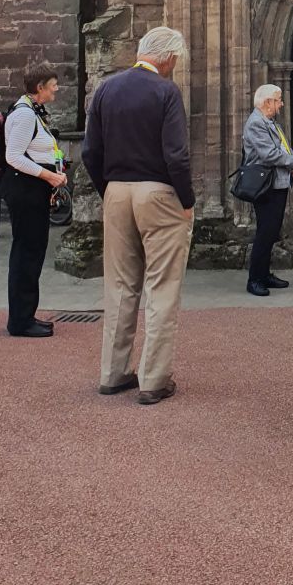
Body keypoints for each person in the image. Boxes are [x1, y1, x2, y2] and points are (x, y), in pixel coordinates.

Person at [82, 26, 194, 406]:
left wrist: (108, 189)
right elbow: (176, 155)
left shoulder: (107, 89)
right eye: (175, 60)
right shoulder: (165, 91)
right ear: (168, 58)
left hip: (116, 191)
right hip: (158, 192)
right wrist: (187, 198)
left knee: (119, 285)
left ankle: (112, 373)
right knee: (161, 286)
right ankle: (153, 379)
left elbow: (89, 151)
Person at [2, 65, 69, 338]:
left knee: (31, 251)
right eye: (52, 84)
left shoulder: (31, 112)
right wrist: (49, 178)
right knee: (27, 253)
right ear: (40, 87)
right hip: (26, 190)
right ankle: (20, 321)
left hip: (32, 190)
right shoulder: (25, 115)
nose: (56, 89)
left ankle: (25, 315)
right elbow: (14, 157)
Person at [242, 84, 293, 297]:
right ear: (267, 102)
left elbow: (283, 147)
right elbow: (269, 154)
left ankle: (264, 274)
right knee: (265, 232)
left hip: (276, 183)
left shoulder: (270, 123)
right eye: (278, 100)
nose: (281, 103)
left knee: (271, 231)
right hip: (266, 185)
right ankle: (255, 279)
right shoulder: (256, 124)